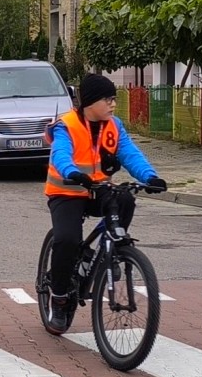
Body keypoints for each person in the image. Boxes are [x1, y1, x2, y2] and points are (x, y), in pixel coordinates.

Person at [44, 72, 166, 327]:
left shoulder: (114, 125)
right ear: (90, 102)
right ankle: (59, 298)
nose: (113, 104)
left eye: (114, 99)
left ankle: (110, 252)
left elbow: (130, 153)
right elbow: (60, 154)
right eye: (107, 99)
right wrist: (72, 172)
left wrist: (150, 177)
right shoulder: (67, 125)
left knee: (126, 199)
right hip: (67, 191)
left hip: (99, 189)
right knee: (67, 240)